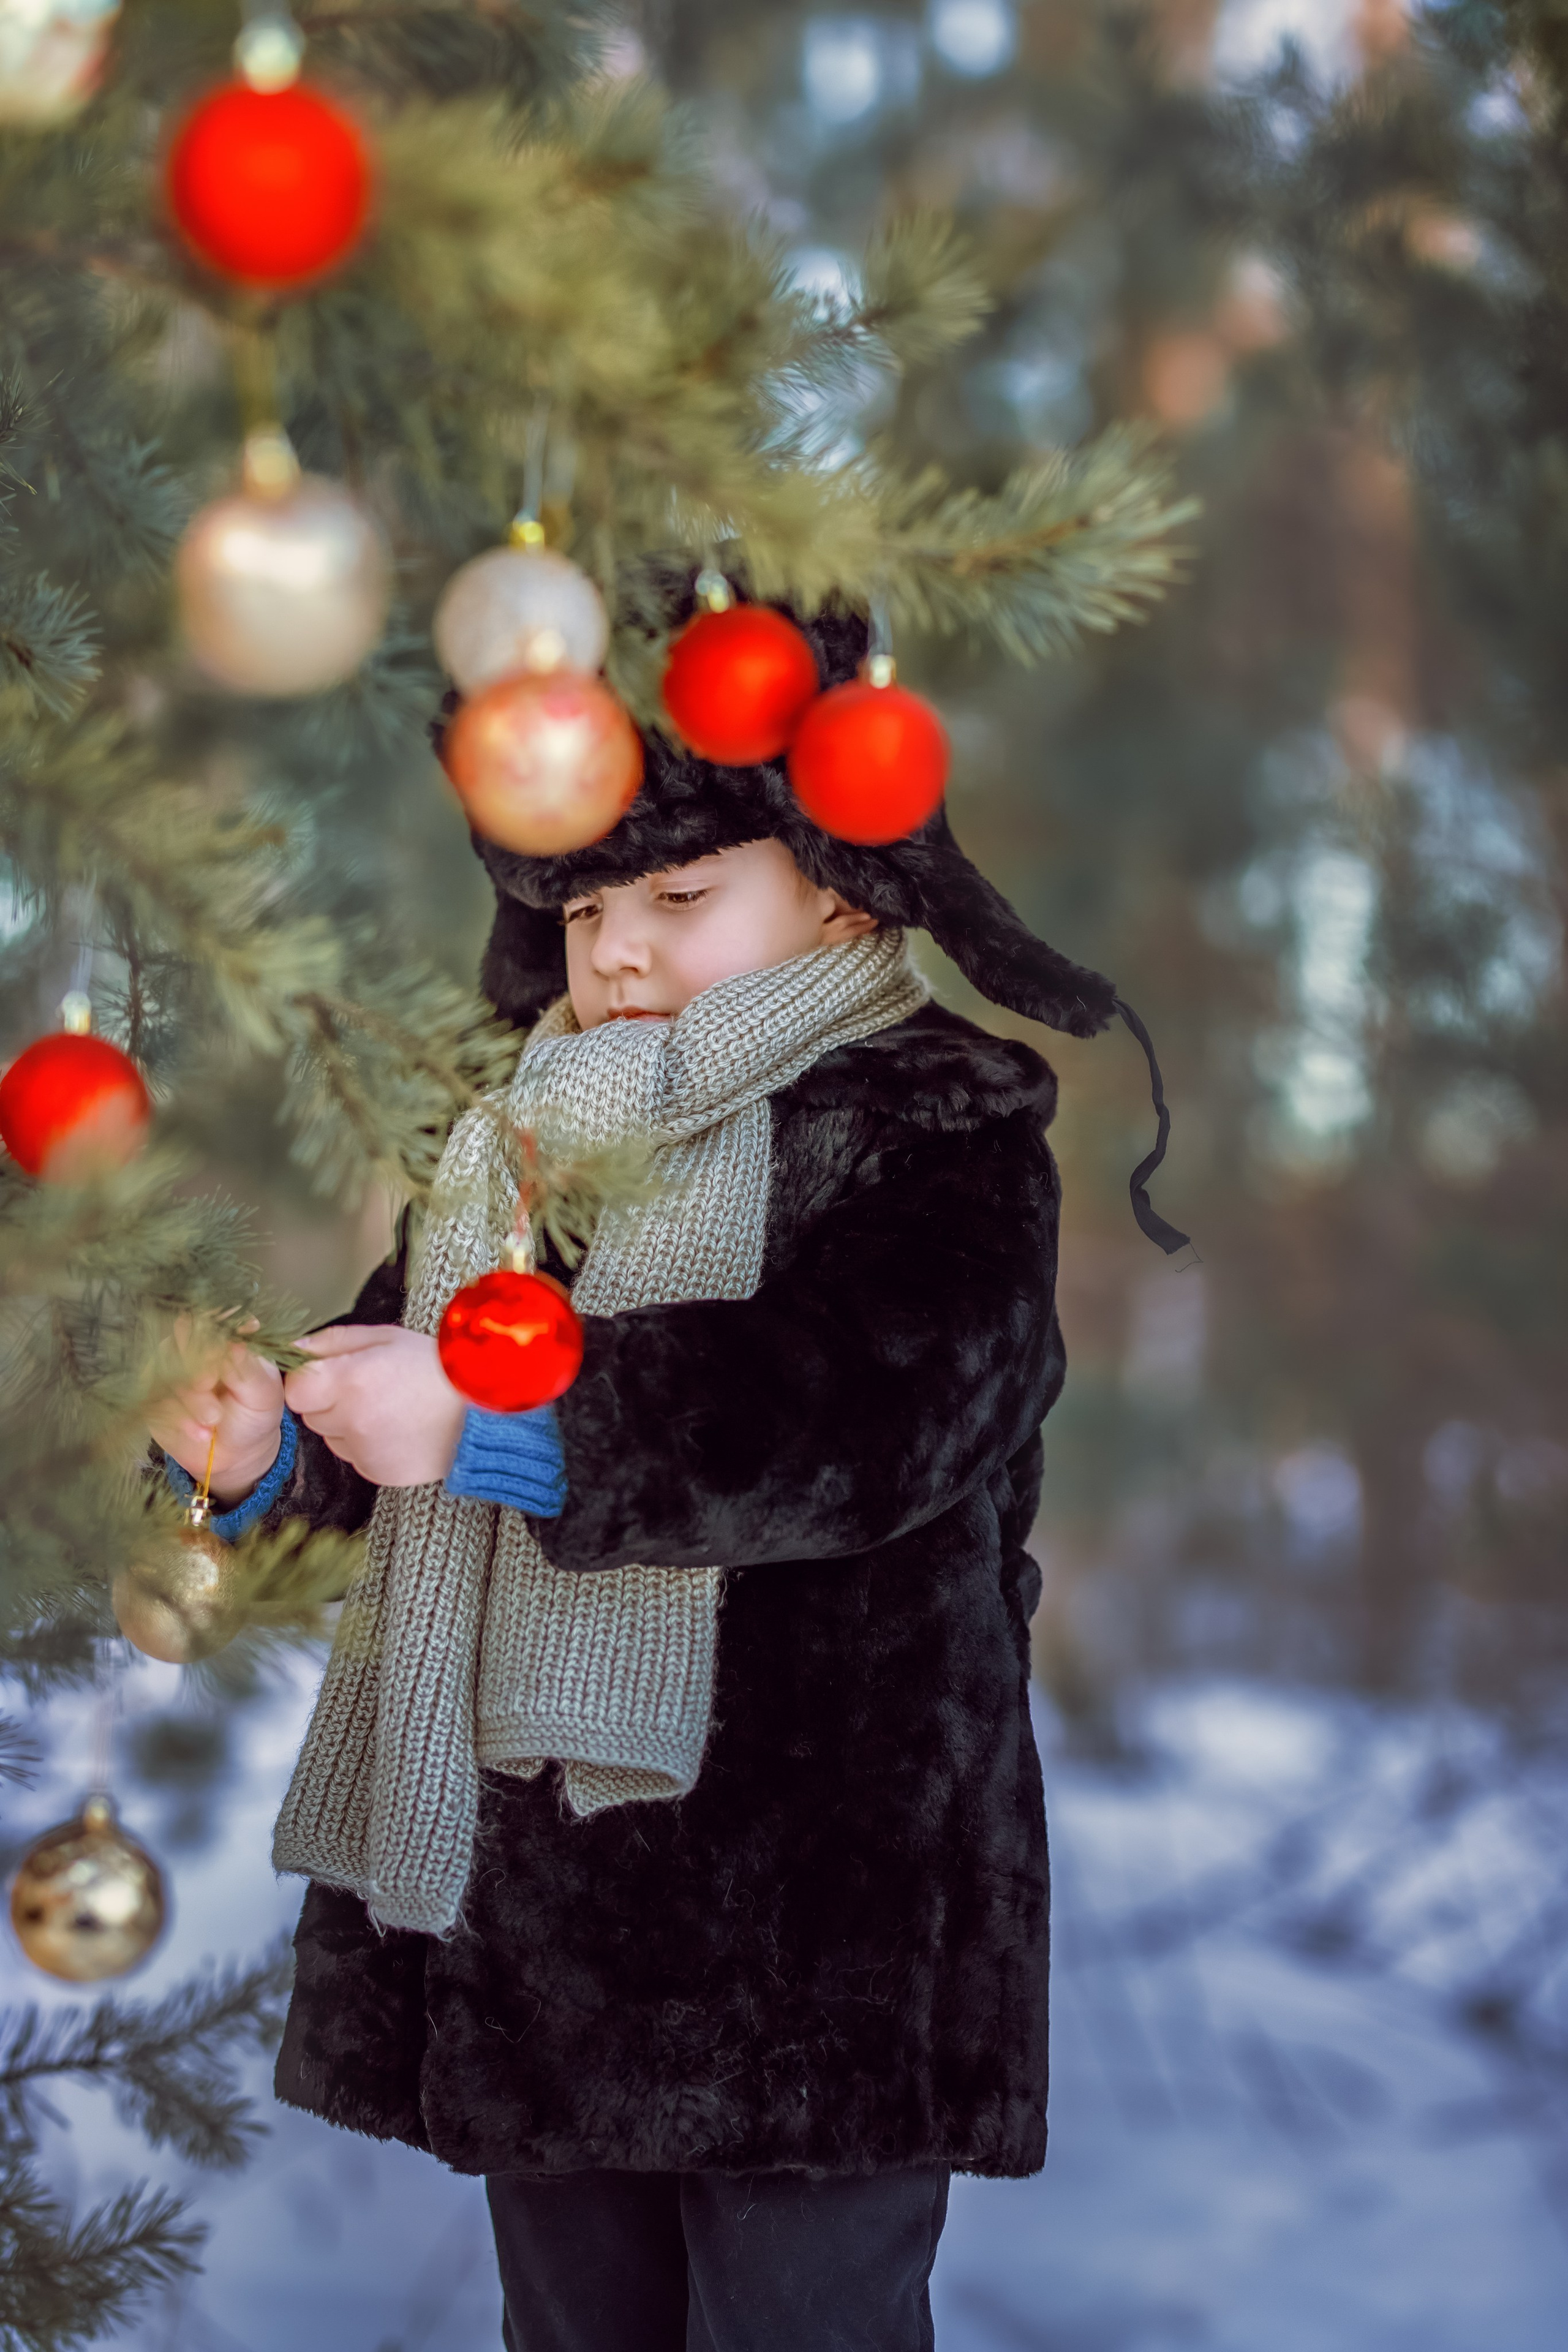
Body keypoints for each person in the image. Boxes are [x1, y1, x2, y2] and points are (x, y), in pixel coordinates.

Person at [147, 605, 1182, 2352]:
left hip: (818, 1915)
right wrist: (270, 1452)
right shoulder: (528, 1148)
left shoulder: (939, 1123)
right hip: (551, 1916)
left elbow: (870, 1420)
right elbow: (405, 1410)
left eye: (682, 900)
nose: (619, 953)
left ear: (844, 892)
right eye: (584, 911)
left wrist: (493, 1427)